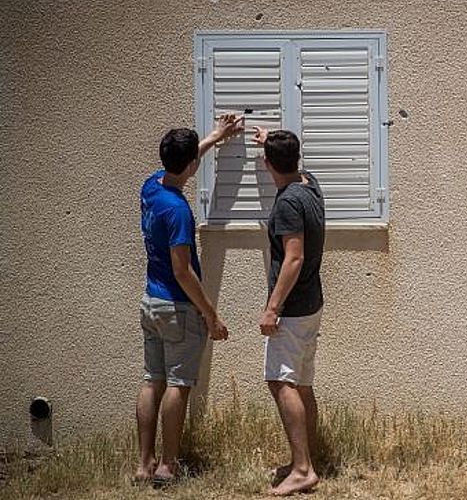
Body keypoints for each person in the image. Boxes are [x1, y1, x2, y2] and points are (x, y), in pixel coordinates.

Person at [135, 115, 243, 485]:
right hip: (177, 308)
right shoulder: (178, 210)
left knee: (153, 381)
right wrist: (210, 314)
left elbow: (181, 161)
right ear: (191, 167)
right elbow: (183, 271)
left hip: (151, 302)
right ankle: (167, 466)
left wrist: (213, 137)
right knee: (178, 385)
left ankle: (144, 464)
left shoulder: (151, 186)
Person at [253, 126, 326, 496]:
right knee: (300, 383)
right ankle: (306, 461)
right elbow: (298, 165)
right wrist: (271, 141)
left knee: (280, 381)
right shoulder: (310, 186)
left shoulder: (286, 204)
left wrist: (271, 308)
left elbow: (292, 258)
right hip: (311, 303)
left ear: (267, 165)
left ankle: (301, 469)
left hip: (293, 308)